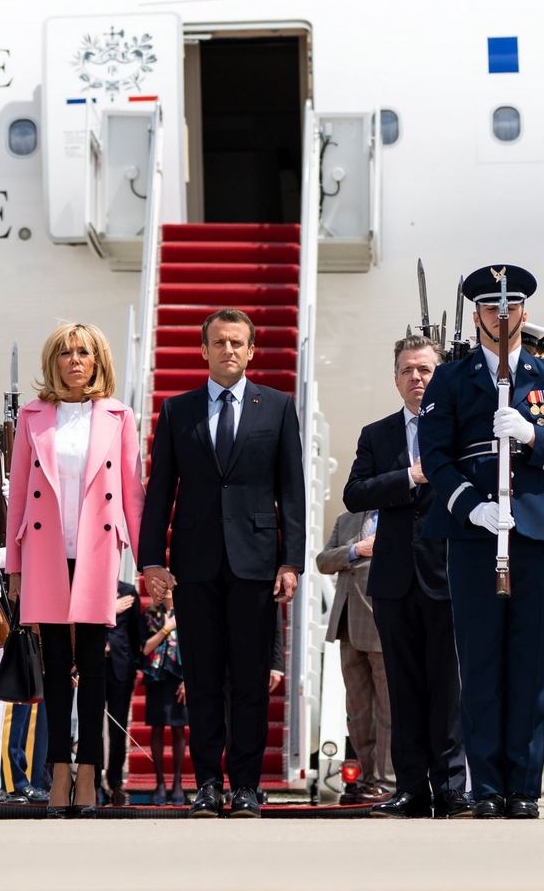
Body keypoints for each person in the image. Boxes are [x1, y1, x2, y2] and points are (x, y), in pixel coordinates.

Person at [420, 265, 544, 819]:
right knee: (481, 663)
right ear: (477, 316)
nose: (501, 315)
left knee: (531, 665)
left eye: (511, 306)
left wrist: (533, 434)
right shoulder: (450, 380)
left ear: (524, 313)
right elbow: (437, 458)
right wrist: (474, 506)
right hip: (475, 537)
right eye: (491, 308)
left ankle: (525, 785)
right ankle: (487, 785)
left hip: (537, 534)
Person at [139, 307, 306, 818]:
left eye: (238, 342)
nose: (229, 350)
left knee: (251, 681)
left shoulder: (276, 407)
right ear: (203, 350)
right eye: (220, 342)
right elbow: (161, 490)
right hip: (196, 563)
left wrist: (290, 560)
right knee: (206, 679)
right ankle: (208, 783)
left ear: (251, 350)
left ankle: (248, 786)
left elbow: (291, 491)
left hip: (256, 565)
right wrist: (151, 560)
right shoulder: (177, 410)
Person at [6, 321, 144, 817]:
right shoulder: (33, 416)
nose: (75, 361)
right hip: (45, 551)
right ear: (54, 361)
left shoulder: (117, 416)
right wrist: (14, 565)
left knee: (93, 665)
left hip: (97, 551)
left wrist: (146, 559)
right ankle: (57, 773)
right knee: (55, 671)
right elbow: (19, 494)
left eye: (84, 352)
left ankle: (89, 775)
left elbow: (132, 491)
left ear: (98, 359)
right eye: (65, 353)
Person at [346, 335, 468, 820]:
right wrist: (410, 478)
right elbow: (356, 493)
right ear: (395, 378)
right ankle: (412, 788)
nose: (416, 378)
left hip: (447, 575)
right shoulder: (377, 435)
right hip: (395, 581)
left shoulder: (460, 428)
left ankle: (454, 788)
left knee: (449, 689)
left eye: (425, 370)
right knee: (404, 689)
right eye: (407, 371)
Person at [315, 504, 391, 804]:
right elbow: (323, 561)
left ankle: (387, 780)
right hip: (347, 624)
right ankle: (367, 777)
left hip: (382, 623)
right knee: (358, 711)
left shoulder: (400, 516)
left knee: (388, 711)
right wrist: (356, 550)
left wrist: (347, 557)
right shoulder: (346, 520)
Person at [139, 591, 187, 805]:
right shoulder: (150, 614)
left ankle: (178, 782)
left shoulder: (187, 611)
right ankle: (160, 782)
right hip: (157, 676)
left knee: (178, 729)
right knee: (157, 728)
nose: (167, 590)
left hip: (179, 677)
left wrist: (189, 680)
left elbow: (196, 648)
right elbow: (145, 648)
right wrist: (167, 628)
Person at [103, 580, 146, 805]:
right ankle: (91, 783)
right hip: (96, 666)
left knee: (118, 729)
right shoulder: (90, 586)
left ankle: (115, 782)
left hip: (121, 668)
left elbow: (137, 631)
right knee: (92, 728)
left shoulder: (128, 591)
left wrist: (135, 665)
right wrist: (110, 607)